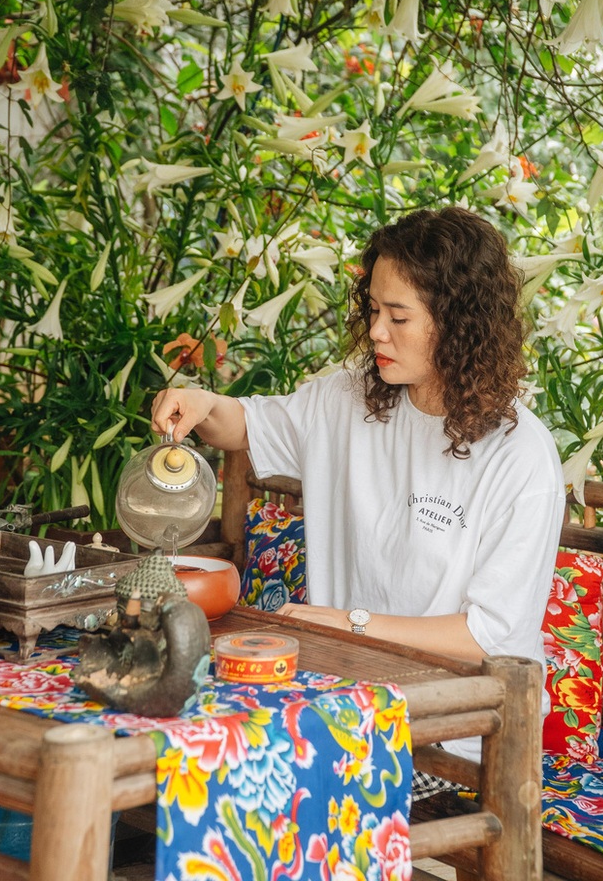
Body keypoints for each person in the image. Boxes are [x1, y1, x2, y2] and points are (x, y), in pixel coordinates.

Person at [151, 206, 566, 770]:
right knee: (185, 741)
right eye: (373, 309)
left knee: (242, 770)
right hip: (342, 700)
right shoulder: (347, 400)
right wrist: (200, 403)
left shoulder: (519, 455)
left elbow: (489, 637)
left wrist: (352, 623)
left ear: (460, 321)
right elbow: (242, 426)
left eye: (398, 316)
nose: (375, 332)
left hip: (456, 732)